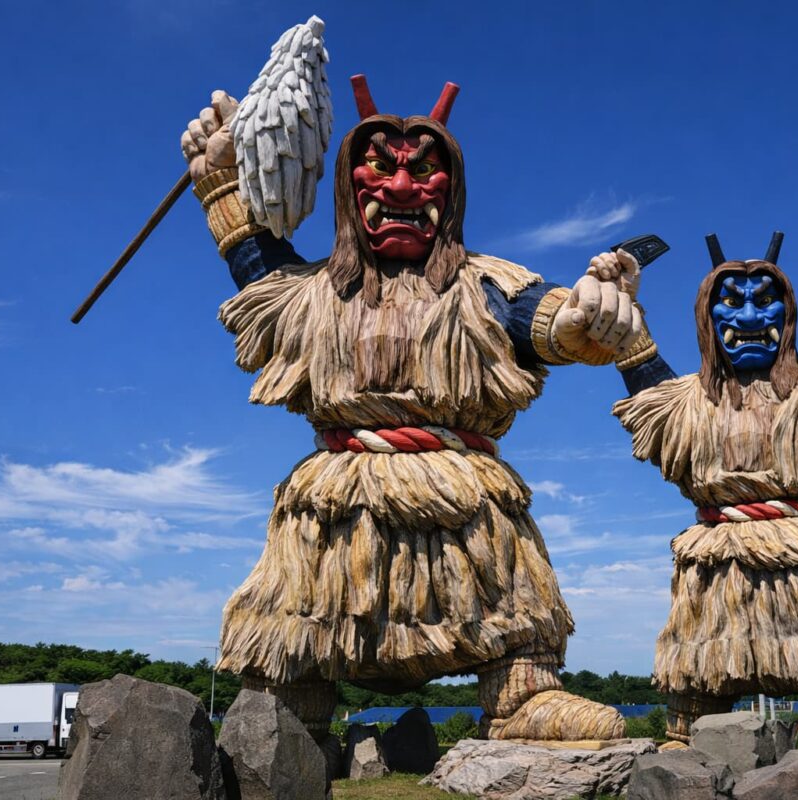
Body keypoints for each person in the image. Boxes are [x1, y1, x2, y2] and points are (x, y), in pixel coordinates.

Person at [178, 80, 655, 743]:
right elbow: (257, 268)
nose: (403, 187)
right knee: (297, 626)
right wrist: (221, 179)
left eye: (424, 170)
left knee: (513, 605)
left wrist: (590, 313)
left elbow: (552, 319)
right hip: (338, 498)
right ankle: (286, 724)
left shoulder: (486, 285)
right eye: (381, 166)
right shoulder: (311, 292)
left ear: (451, 193)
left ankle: (522, 701)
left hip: (462, 496)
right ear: (349, 188)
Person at [593, 241, 798, 742]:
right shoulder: (687, 400)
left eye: (765, 301)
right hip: (715, 570)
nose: (750, 315)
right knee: (693, 699)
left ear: (789, 314)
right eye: (731, 302)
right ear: (707, 318)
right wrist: (622, 299)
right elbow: (643, 376)